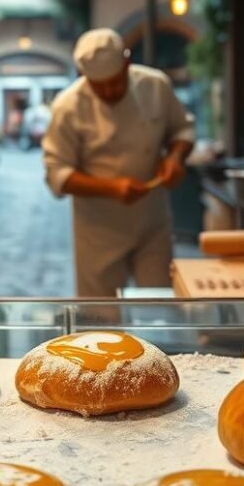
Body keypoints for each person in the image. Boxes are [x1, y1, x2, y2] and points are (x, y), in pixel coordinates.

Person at [43, 28, 195, 297]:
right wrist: (112, 187)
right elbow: (58, 175)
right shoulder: (67, 107)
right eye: (99, 85)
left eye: (116, 81)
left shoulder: (155, 86)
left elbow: (182, 131)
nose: (109, 91)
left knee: (158, 309)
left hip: (152, 222)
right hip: (99, 230)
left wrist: (175, 157)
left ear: (127, 63)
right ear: (83, 76)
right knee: (101, 320)